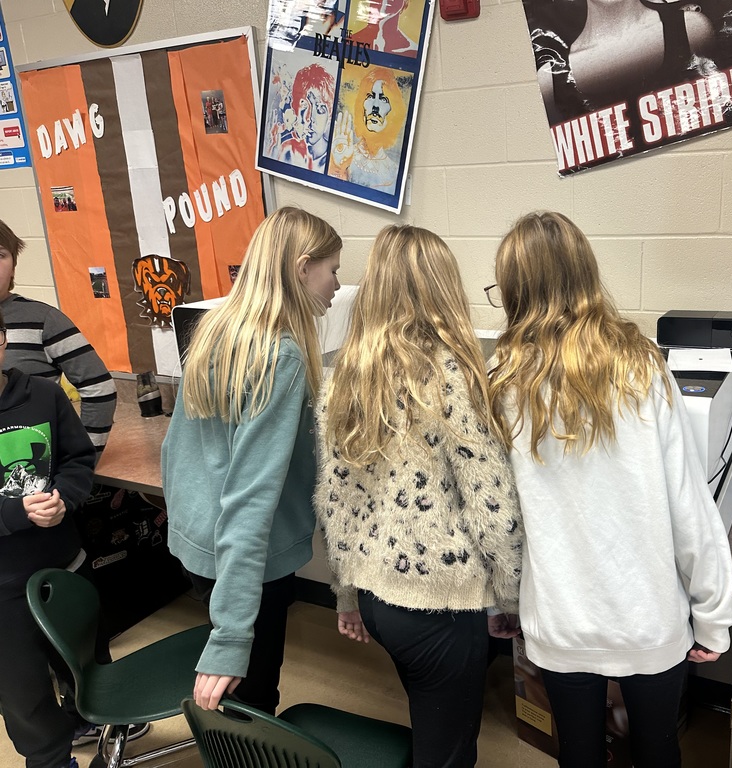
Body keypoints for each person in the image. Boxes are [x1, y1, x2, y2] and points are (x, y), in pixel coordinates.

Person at [487, 211, 732, 768]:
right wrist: (714, 616)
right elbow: (688, 505)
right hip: (648, 620)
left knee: (576, 756)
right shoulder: (643, 365)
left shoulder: (504, 378)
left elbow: (502, 518)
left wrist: (501, 602)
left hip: (560, 622)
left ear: (516, 292)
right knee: (657, 752)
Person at [315, 225, 522, 768]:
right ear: (442, 288)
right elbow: (490, 501)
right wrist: (512, 597)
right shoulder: (452, 373)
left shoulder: (344, 376)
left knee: (430, 716)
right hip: (441, 604)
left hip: (379, 599)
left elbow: (335, 502)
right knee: (450, 750)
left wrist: (346, 594)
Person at [162, 206, 342, 714]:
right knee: (253, 699)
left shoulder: (218, 328)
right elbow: (250, 498)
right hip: (246, 562)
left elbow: (174, 451)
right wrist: (231, 634)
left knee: (243, 696)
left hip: (203, 547)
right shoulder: (282, 355)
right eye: (332, 269)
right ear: (303, 267)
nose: (335, 284)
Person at [0, 306, 97, 768]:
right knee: (23, 693)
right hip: (2, 590)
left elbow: (78, 460)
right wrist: (15, 513)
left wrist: (65, 498)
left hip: (62, 565)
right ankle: (51, 760)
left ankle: (92, 722)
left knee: (83, 664)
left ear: (2, 339)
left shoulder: (43, 394)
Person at [0, 220, 117, 457]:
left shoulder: (43, 319)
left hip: (33, 475)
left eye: (0, 255)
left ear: (13, 266)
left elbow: (100, 389)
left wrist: (84, 458)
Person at [329, 68, 407, 194]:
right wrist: (338, 167)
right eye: (370, 96)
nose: (375, 107)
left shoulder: (394, 171)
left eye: (383, 99)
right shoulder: (344, 154)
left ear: (393, 111)